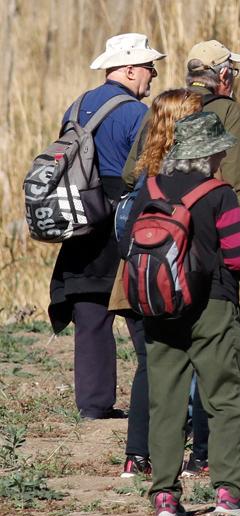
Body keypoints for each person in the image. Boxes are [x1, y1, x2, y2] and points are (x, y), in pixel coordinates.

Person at [120, 111, 240, 516]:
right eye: (220, 152)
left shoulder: (149, 187)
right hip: (212, 307)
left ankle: (165, 496)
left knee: (165, 401)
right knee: (223, 398)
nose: (223, 158)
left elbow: (126, 244)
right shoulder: (219, 194)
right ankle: (229, 492)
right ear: (209, 154)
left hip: (158, 309)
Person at [123, 39, 240, 476]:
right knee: (218, 380)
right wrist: (229, 242)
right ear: (223, 74)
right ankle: (212, 464)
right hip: (209, 279)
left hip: (150, 270)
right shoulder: (223, 113)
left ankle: (147, 468)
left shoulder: (158, 114)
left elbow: (127, 177)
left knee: (160, 374)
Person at [48, 33, 165, 423]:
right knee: (141, 307)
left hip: (81, 217)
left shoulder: (76, 105)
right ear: (130, 69)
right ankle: (159, 400)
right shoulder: (137, 114)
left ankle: (94, 406)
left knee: (90, 310)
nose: (153, 74)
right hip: (121, 217)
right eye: (149, 67)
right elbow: (149, 173)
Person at [112, 89, 204, 479]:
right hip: (182, 286)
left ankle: (136, 456)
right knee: (199, 364)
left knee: (149, 365)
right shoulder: (191, 179)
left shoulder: (145, 178)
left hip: (140, 283)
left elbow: (125, 238)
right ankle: (201, 456)